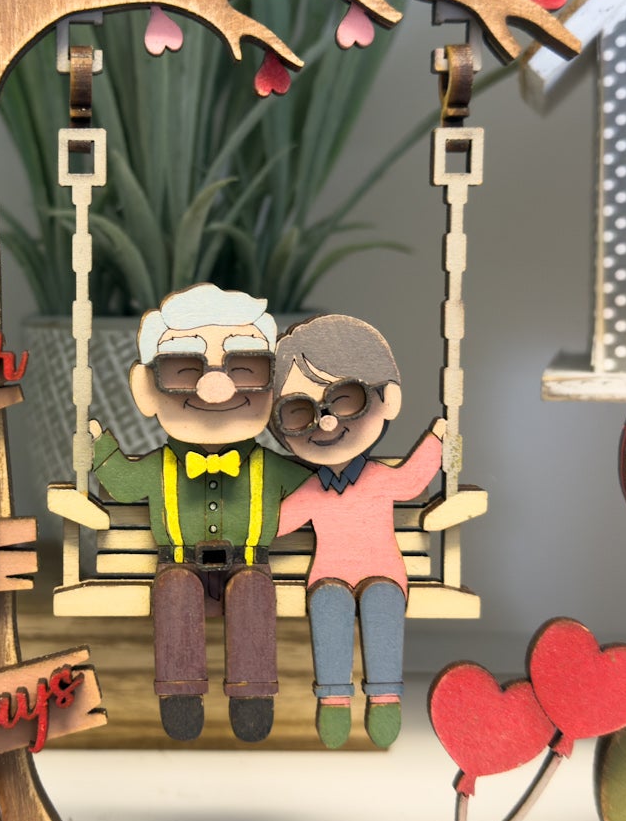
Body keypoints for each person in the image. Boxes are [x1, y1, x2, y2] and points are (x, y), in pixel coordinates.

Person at [89, 283, 310, 743]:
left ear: (274, 387)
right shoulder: (160, 467)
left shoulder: (272, 468)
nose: (215, 388)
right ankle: (180, 693)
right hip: (179, 562)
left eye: (245, 369)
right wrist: (95, 446)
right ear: (147, 389)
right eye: (184, 370)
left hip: (249, 563)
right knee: (174, 590)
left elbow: (317, 487)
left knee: (252, 590)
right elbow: (122, 483)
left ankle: (253, 695)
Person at [271, 315, 445, 749]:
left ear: (386, 400)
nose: (327, 423)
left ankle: (385, 696)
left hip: (383, 573)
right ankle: (333, 698)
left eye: (345, 399)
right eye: (299, 412)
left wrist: (444, 439)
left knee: (383, 599)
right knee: (328, 603)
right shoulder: (312, 489)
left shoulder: (379, 479)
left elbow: (412, 481)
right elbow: (276, 524)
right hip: (328, 576)